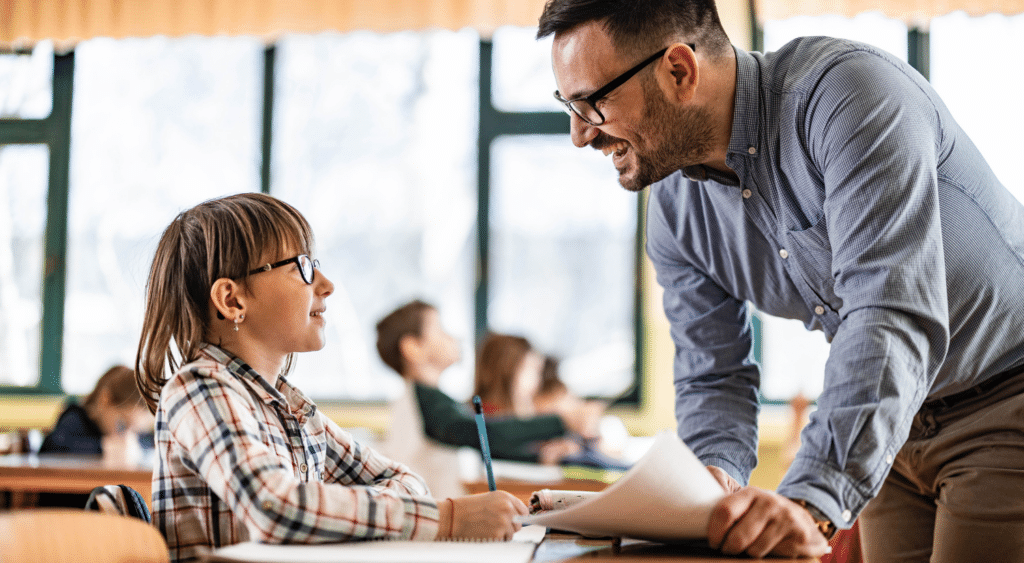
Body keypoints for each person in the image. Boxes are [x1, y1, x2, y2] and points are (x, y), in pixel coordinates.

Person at [537, 0, 1024, 561]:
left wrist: (809, 499)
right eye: (567, 105)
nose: (579, 135)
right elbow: (713, 375)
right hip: (896, 425)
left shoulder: (848, 98)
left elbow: (889, 313)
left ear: (679, 71)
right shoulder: (675, 208)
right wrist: (710, 481)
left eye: (592, 103)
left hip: (1004, 397)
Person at [135, 194, 527, 563]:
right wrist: (447, 520)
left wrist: (326, 509)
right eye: (303, 267)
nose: (327, 285)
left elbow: (406, 480)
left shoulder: (292, 407)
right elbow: (277, 508)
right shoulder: (199, 389)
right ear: (233, 300)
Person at [374, 301, 601, 468]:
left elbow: (483, 447)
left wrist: (539, 457)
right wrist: (563, 420)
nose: (453, 337)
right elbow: (485, 433)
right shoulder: (426, 401)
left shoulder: (431, 400)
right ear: (412, 348)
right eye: (440, 330)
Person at [37, 364, 153, 508]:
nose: (125, 436)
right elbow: (51, 448)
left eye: (135, 431)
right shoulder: (75, 418)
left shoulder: (133, 439)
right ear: (105, 400)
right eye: (122, 424)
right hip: (64, 511)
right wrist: (103, 447)